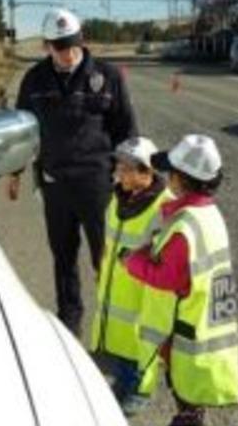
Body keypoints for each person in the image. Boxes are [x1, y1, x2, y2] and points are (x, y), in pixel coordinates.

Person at [8, 8, 137, 335]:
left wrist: (132, 176)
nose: (69, 53)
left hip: (98, 185)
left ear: (82, 40)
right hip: (55, 186)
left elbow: (126, 130)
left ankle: (114, 325)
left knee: (106, 259)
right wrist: (15, 172)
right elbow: (22, 131)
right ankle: (70, 321)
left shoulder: (107, 77)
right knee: (63, 257)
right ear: (46, 46)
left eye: (74, 45)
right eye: (61, 47)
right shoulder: (34, 81)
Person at [123, 134, 238, 426]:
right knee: (192, 391)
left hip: (186, 327)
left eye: (170, 174)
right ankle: (191, 412)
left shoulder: (184, 225)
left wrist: (132, 260)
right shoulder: (208, 213)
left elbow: (166, 278)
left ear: (179, 179)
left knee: (185, 389)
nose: (167, 179)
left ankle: (189, 415)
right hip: (207, 318)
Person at [89, 136, 174, 416]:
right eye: (119, 167)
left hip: (144, 295)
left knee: (141, 344)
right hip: (116, 287)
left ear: (146, 172)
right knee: (118, 343)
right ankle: (123, 380)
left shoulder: (165, 208)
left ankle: (140, 390)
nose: (119, 174)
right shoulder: (117, 199)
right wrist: (103, 266)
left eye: (126, 169)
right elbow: (110, 241)